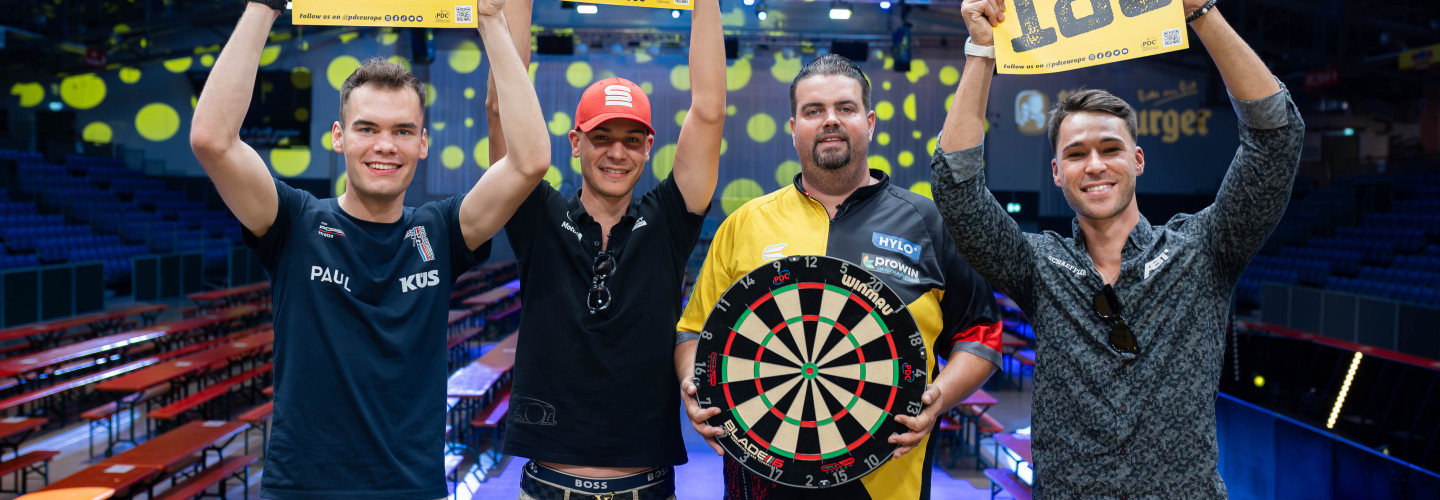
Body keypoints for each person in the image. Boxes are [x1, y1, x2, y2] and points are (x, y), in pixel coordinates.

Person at [931, 0, 1305, 497]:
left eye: (1110, 148)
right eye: (1076, 154)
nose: (1095, 165)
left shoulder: (1205, 250)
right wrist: (981, 50)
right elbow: (957, 191)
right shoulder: (1038, 266)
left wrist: (1203, 12)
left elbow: (1276, 138)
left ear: (1139, 159)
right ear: (1057, 173)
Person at [189, 0, 548, 497]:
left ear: (423, 143)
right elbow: (212, 140)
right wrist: (263, 7)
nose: (385, 145)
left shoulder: (441, 232)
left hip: (410, 489)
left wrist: (488, 20)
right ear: (338, 137)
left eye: (402, 131)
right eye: (367, 128)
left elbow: (530, 162)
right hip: (302, 489)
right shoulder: (295, 222)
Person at [676, 53, 1005, 500]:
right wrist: (691, 388)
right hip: (762, 482)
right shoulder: (744, 224)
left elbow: (980, 336)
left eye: (845, 108)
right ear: (793, 130)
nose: (830, 121)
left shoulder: (928, 221)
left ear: (869, 122)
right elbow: (694, 330)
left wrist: (939, 399)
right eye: (814, 111)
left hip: (888, 483)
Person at [481, 0, 723, 498]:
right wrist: (505, 9)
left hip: (648, 485)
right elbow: (502, 106)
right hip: (549, 484)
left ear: (650, 146)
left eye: (633, 139)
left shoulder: (669, 221)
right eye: (602, 137)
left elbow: (709, 110)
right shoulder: (535, 214)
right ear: (574, 141)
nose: (618, 152)